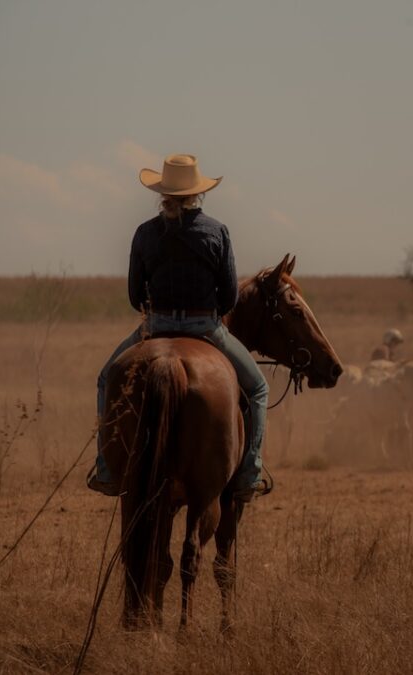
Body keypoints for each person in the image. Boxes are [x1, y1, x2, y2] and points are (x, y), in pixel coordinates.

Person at [88, 154, 270, 502]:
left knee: (105, 379)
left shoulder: (144, 233)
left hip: (154, 326)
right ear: (197, 194)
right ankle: (249, 473)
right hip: (206, 328)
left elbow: (133, 295)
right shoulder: (217, 231)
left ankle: (107, 469)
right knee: (258, 389)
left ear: (163, 193)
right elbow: (230, 295)